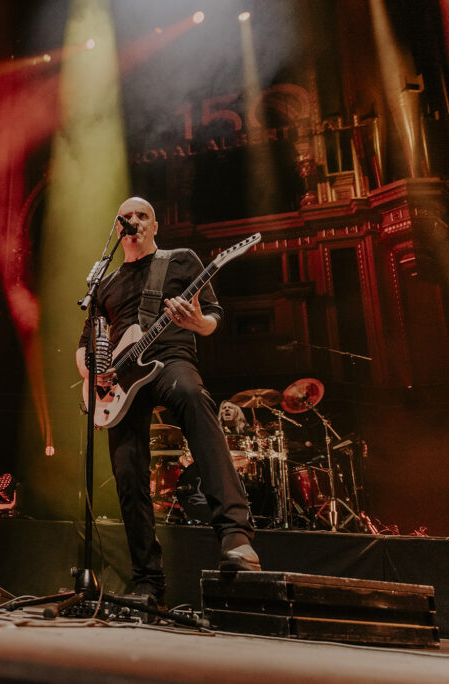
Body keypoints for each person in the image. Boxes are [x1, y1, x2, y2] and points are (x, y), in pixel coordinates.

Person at [75, 196, 260, 607]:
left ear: (155, 226)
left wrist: (196, 322)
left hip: (171, 357)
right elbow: (86, 344)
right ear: (118, 227)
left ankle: (235, 535)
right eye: (127, 216)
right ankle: (147, 581)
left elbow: (213, 316)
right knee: (127, 471)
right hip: (120, 383)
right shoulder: (105, 283)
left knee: (194, 398)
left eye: (143, 215)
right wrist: (93, 374)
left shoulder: (181, 260)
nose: (135, 221)